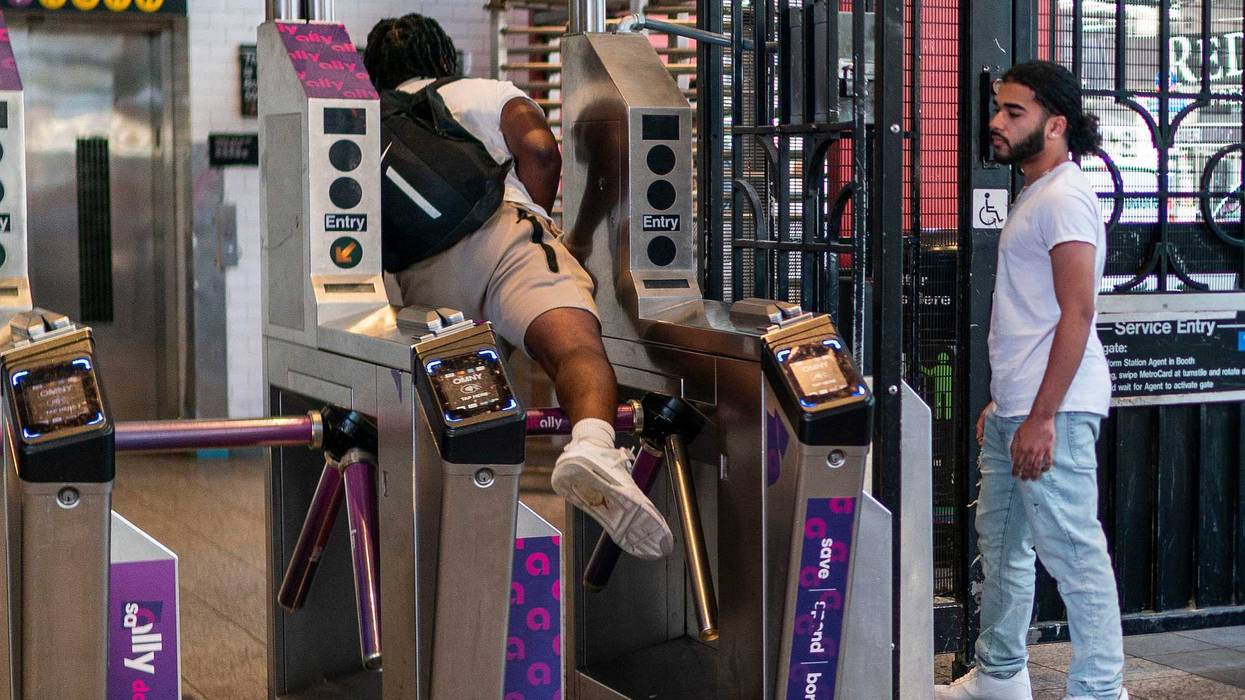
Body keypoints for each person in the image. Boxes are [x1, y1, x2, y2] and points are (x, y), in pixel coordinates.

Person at [363, 14, 673, 561]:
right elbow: (539, 149)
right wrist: (548, 226)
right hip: (505, 240)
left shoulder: (368, 127)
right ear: (443, 59)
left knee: (463, 410)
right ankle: (594, 448)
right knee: (573, 346)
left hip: (422, 278)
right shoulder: (477, 92)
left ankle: (447, 536)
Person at [935, 61, 1126, 700]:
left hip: (1056, 413)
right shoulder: (1037, 192)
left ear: (1055, 124)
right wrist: (1009, 402)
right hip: (1022, 409)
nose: (996, 121)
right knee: (1007, 551)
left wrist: (1042, 415)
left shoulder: (1066, 197)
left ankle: (1101, 691)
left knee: (1075, 558)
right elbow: (1035, 316)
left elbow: (1077, 312)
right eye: (998, 107)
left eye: (1014, 112)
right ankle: (1000, 676)